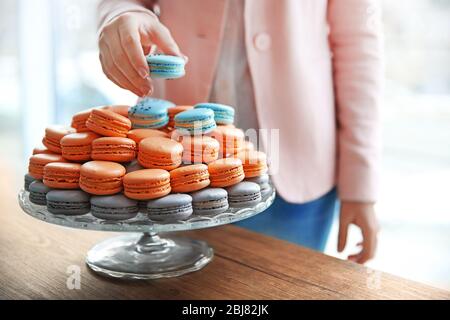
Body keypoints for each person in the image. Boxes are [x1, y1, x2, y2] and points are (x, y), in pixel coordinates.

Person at [97, 0, 381, 263]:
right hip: (175, 163)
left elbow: (357, 43)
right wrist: (121, 15)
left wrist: (360, 184)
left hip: (296, 169)